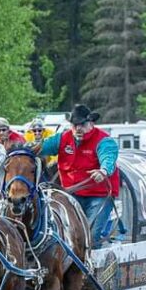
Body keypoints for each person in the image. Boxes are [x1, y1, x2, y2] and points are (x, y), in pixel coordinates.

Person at [38, 104, 120, 246]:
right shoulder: (62, 139)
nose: (78, 129)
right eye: (74, 125)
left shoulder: (104, 141)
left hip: (99, 194)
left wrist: (103, 171)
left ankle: (93, 258)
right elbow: (41, 147)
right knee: (67, 232)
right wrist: (23, 150)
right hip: (72, 193)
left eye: (82, 124)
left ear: (91, 123)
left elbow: (108, 158)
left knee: (91, 235)